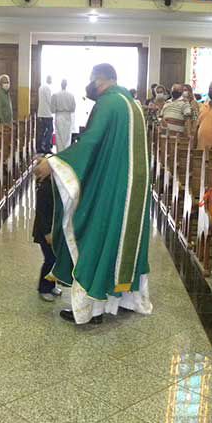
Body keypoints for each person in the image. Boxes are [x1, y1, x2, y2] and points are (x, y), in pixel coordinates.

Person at [33, 63, 151, 325]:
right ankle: (125, 299)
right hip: (133, 185)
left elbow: (91, 142)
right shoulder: (133, 105)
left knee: (97, 235)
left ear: (100, 80)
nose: (90, 86)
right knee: (123, 239)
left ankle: (92, 308)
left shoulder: (108, 103)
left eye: (91, 80)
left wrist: (53, 162)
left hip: (112, 185)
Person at [32, 173, 61, 302]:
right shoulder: (45, 188)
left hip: (53, 229)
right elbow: (41, 214)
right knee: (50, 259)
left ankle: (51, 285)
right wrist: (47, 233)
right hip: (45, 232)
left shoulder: (55, 186)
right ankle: (43, 288)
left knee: (54, 259)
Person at [51, 78, 76, 152]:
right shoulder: (71, 95)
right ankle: (66, 152)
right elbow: (73, 109)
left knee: (59, 137)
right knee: (67, 136)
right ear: (66, 85)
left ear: (61, 85)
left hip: (59, 115)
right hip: (68, 116)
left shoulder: (55, 95)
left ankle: (60, 152)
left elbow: (52, 109)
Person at [37, 75, 54, 153]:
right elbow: (49, 100)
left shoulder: (41, 87)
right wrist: (54, 108)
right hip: (47, 113)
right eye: (51, 79)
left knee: (42, 131)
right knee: (50, 130)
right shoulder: (48, 88)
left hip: (41, 113)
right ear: (49, 79)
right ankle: (47, 147)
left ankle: (39, 147)